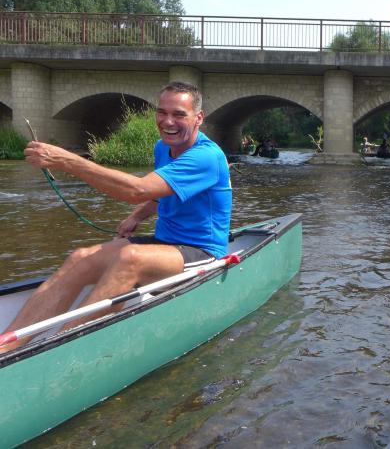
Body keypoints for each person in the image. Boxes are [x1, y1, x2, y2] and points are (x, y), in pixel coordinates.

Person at [0, 81, 232, 353]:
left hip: (203, 251)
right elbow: (164, 191)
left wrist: (67, 161)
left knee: (129, 259)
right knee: (80, 258)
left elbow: (138, 190)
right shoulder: (163, 148)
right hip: (166, 241)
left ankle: (55, 351)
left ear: (198, 118)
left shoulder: (206, 157)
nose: (168, 121)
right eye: (162, 112)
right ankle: (6, 348)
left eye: (179, 114)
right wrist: (137, 216)